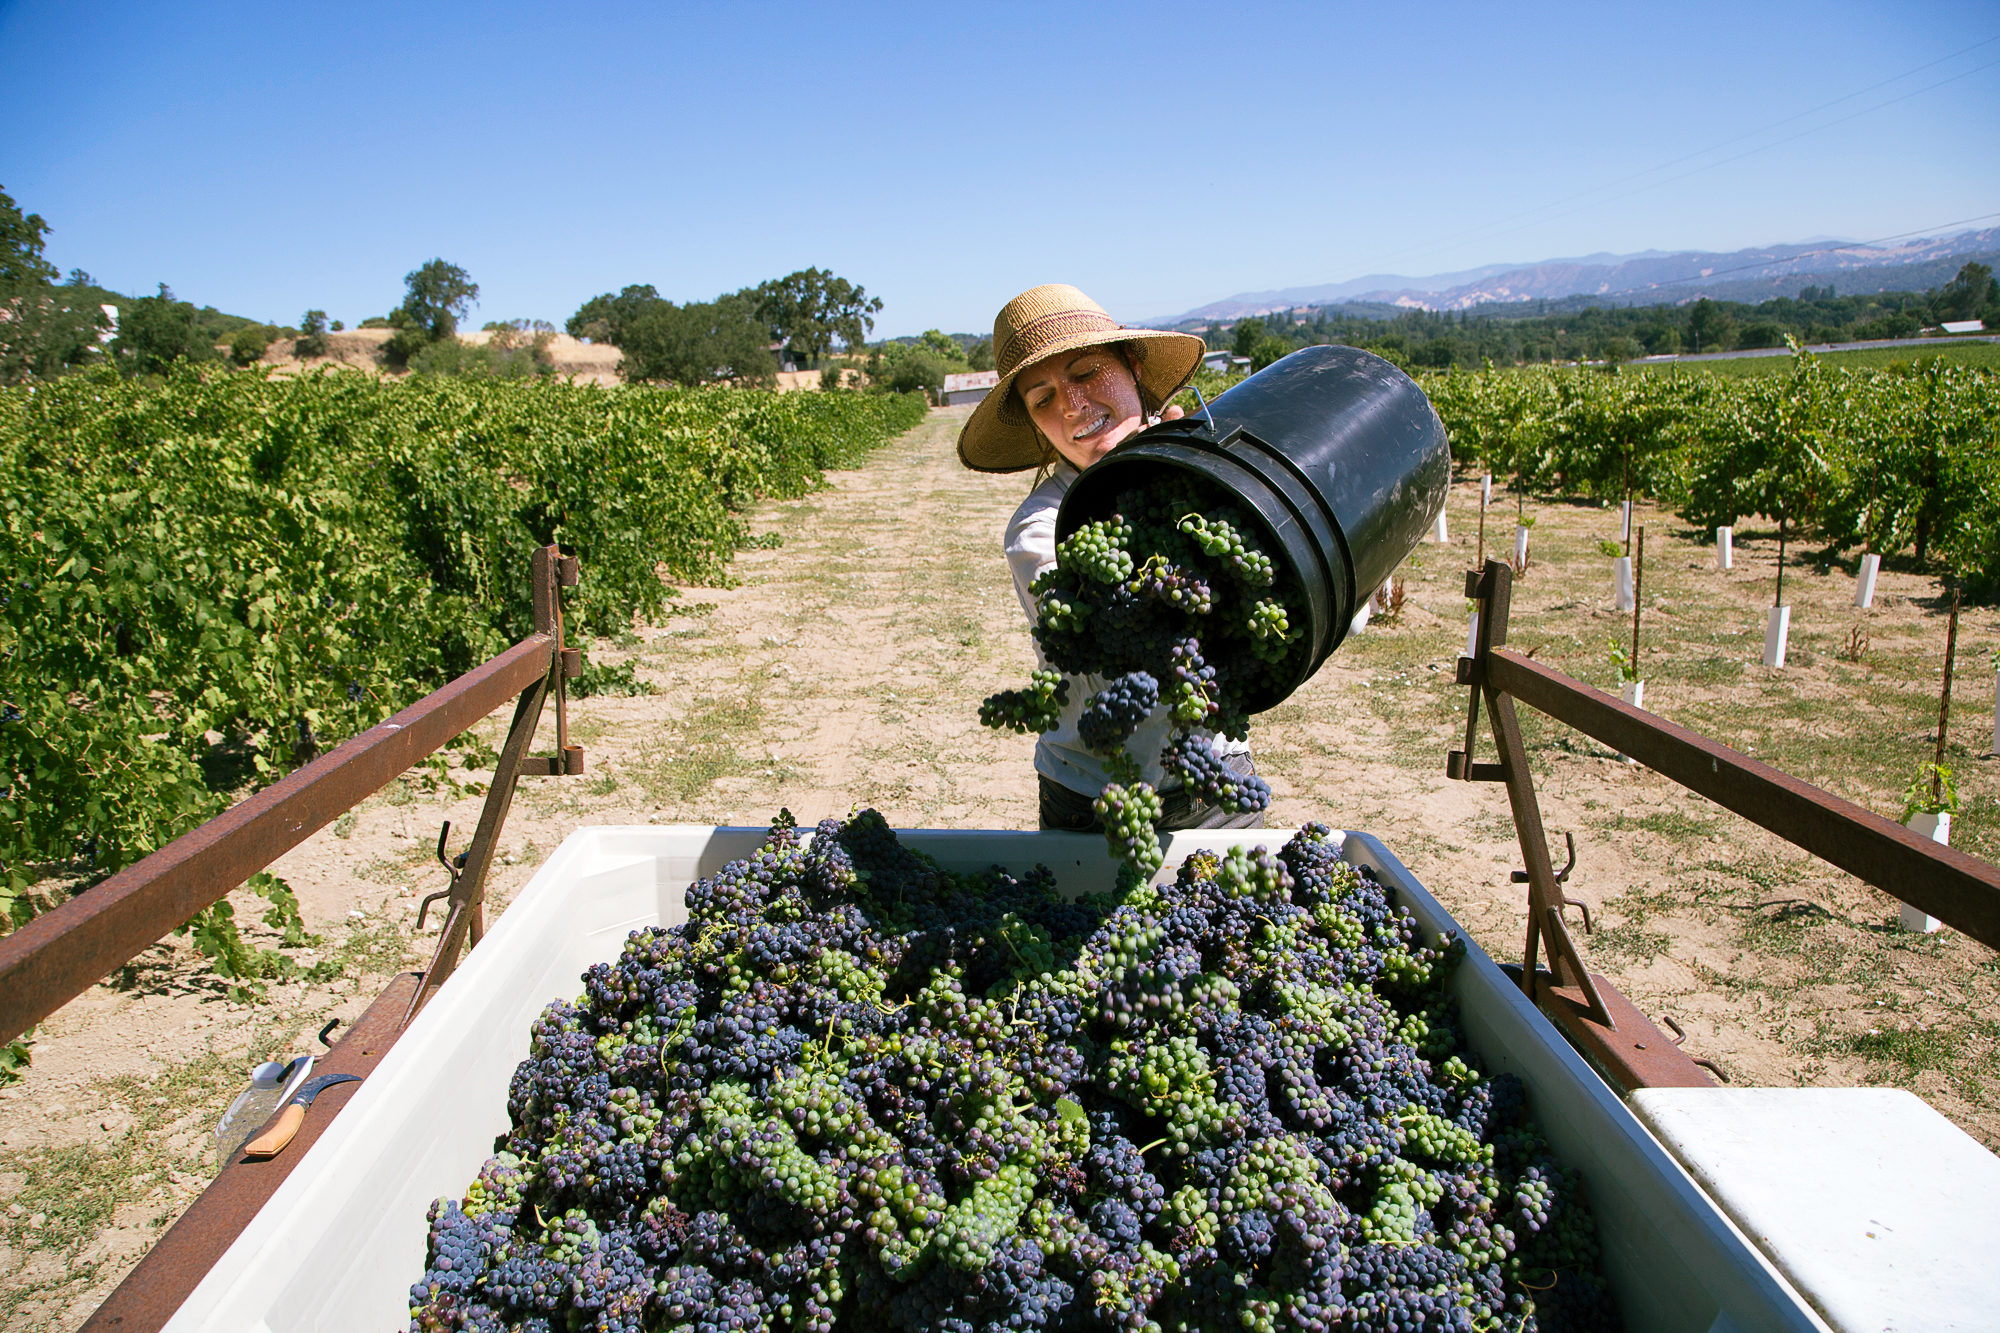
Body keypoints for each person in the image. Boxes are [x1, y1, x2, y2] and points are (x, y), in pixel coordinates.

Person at [956, 284, 1263, 833]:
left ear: (1133, 366)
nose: (1072, 404)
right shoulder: (1040, 530)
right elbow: (1127, 648)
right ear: (1034, 423)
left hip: (1216, 781)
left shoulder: (1207, 476)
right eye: (1043, 399)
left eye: (1086, 372)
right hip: (1091, 796)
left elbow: (1323, 612)